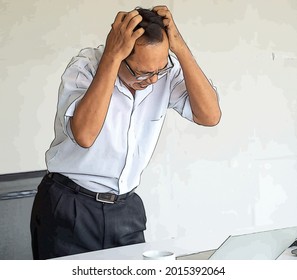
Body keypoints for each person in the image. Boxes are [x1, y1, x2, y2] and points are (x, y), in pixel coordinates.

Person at [30, 5, 221, 259]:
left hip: (126, 209)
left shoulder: (162, 71)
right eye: (141, 73)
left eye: (159, 71)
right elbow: (85, 135)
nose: (153, 81)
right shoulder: (85, 67)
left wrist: (181, 50)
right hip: (70, 206)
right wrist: (110, 57)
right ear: (118, 52)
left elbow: (210, 116)